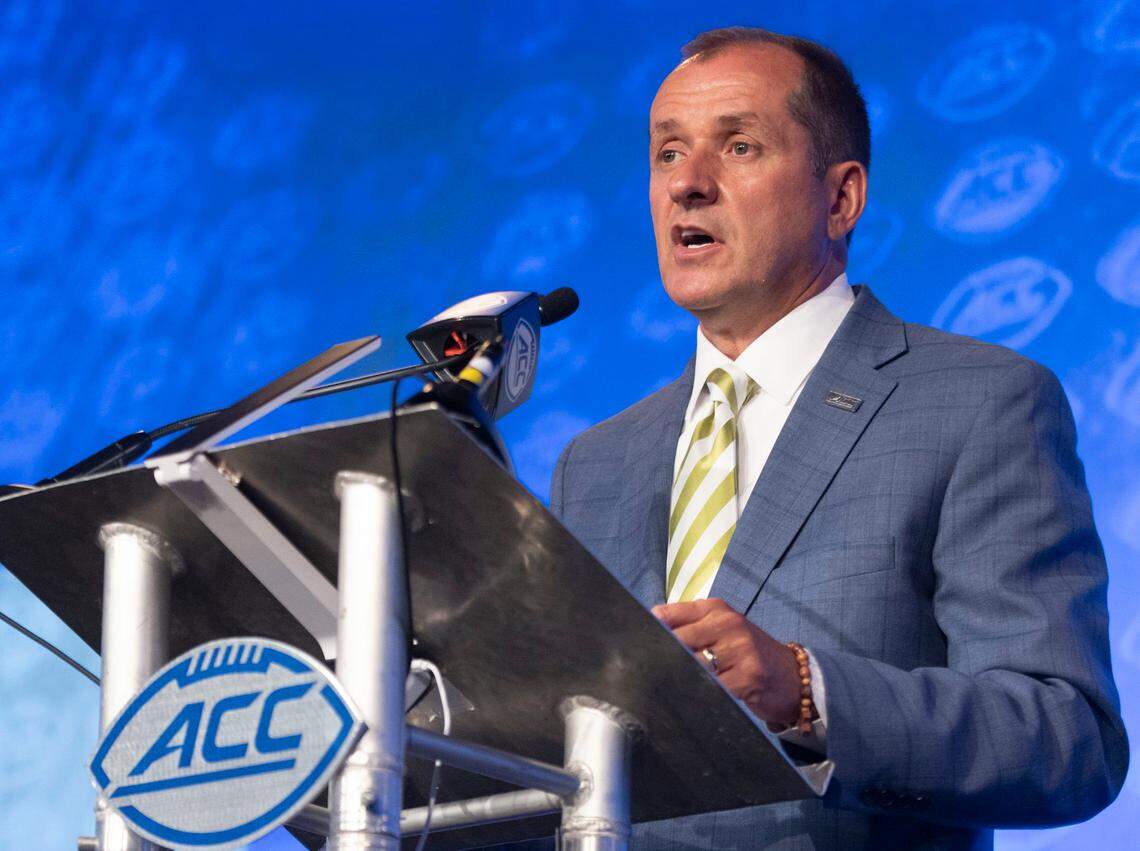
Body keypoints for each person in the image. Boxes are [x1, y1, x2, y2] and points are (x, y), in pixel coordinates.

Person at [549, 26, 1128, 849]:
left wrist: (809, 691)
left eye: (739, 146)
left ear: (841, 198)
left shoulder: (982, 402)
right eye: (667, 153)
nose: (687, 185)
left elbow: (1066, 738)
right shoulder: (594, 463)